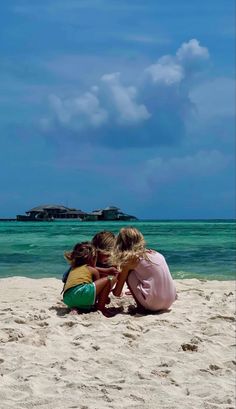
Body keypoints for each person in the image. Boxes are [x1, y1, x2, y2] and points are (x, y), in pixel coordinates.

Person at [112, 227, 176, 313]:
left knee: (129, 273)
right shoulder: (157, 254)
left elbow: (117, 292)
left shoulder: (131, 259)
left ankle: (141, 308)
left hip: (153, 304)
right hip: (170, 301)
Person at [62, 242, 118, 316]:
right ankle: (101, 308)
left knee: (81, 297)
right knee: (110, 279)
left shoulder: (73, 269)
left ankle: (76, 308)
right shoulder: (93, 270)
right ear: (93, 258)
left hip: (67, 298)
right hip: (81, 293)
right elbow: (97, 292)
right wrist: (104, 298)